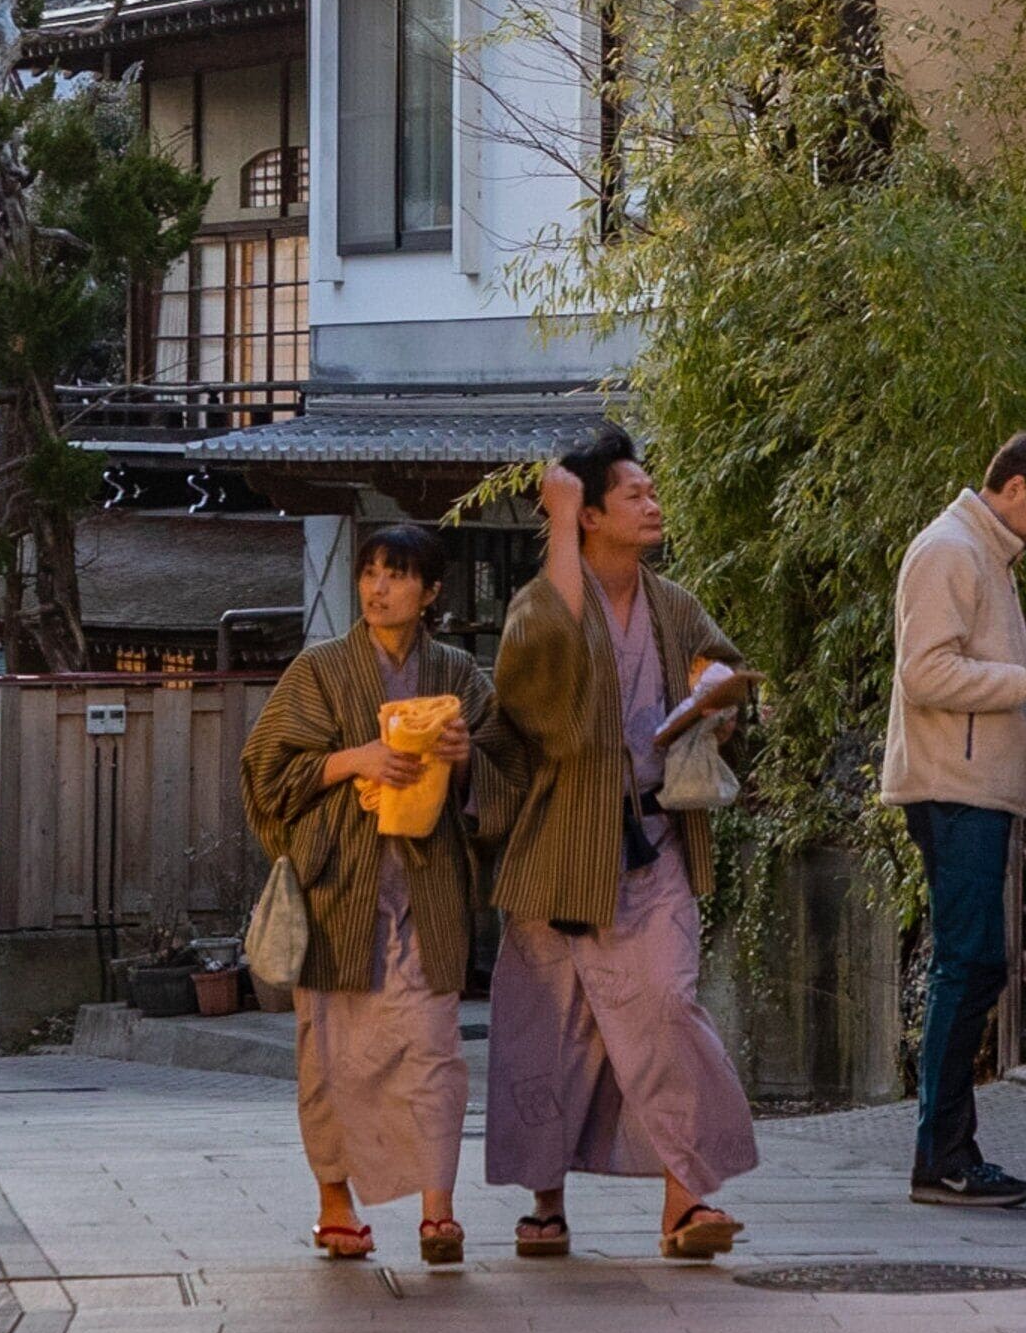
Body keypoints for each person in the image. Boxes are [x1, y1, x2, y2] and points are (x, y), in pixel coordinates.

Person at [475, 424, 762, 1261]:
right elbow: (540, 673)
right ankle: (546, 1203)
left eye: (651, 493)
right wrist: (557, 523)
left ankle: (687, 1201)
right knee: (549, 1029)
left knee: (668, 1010)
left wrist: (723, 704)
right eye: (634, 495)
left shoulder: (673, 604)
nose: (653, 506)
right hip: (560, 847)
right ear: (590, 516)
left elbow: (726, 668)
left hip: (654, 836)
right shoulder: (542, 601)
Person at [240, 525, 482, 1266]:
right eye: (371, 572)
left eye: (398, 575)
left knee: (434, 1048)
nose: (377, 588)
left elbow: (506, 776)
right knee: (330, 1055)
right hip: (339, 888)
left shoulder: (460, 675)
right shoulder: (318, 672)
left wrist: (465, 760)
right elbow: (265, 769)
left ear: (432, 592)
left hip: (426, 885)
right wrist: (356, 759)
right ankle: (335, 1203)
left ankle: (438, 1211)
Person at [879, 429, 1026, 1207]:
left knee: (970, 965)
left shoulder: (981, 554)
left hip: (970, 784)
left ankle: (947, 1153)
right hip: (954, 787)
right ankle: (942, 1157)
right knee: (968, 965)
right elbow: (926, 671)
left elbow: (973, 679)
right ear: (1012, 487)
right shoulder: (952, 551)